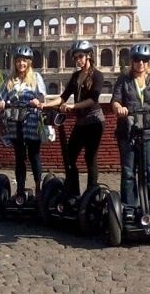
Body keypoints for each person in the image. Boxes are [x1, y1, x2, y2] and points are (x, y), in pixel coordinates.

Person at [40, 40, 105, 196]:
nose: (78, 60)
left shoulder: (98, 75)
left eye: (81, 56)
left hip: (95, 121)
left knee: (90, 157)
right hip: (81, 122)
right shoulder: (76, 75)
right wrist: (45, 105)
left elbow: (93, 100)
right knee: (69, 156)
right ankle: (73, 191)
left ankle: (91, 194)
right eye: (76, 57)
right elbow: (63, 97)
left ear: (89, 55)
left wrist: (73, 106)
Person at [111, 44, 150, 209]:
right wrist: (119, 108)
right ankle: (129, 207)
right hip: (127, 131)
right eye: (136, 59)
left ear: (148, 62)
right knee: (128, 172)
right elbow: (115, 100)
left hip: (148, 131)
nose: (140, 63)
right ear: (132, 61)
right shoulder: (123, 79)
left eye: (144, 60)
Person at [0, 45, 46, 199]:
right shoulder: (10, 80)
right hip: (15, 123)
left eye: (24, 61)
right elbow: (1, 97)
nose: (21, 64)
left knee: (34, 156)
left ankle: (38, 187)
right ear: (15, 63)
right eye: (18, 61)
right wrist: (2, 103)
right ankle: (20, 189)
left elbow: (43, 97)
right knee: (19, 158)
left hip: (31, 122)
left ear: (29, 62)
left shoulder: (36, 78)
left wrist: (37, 101)